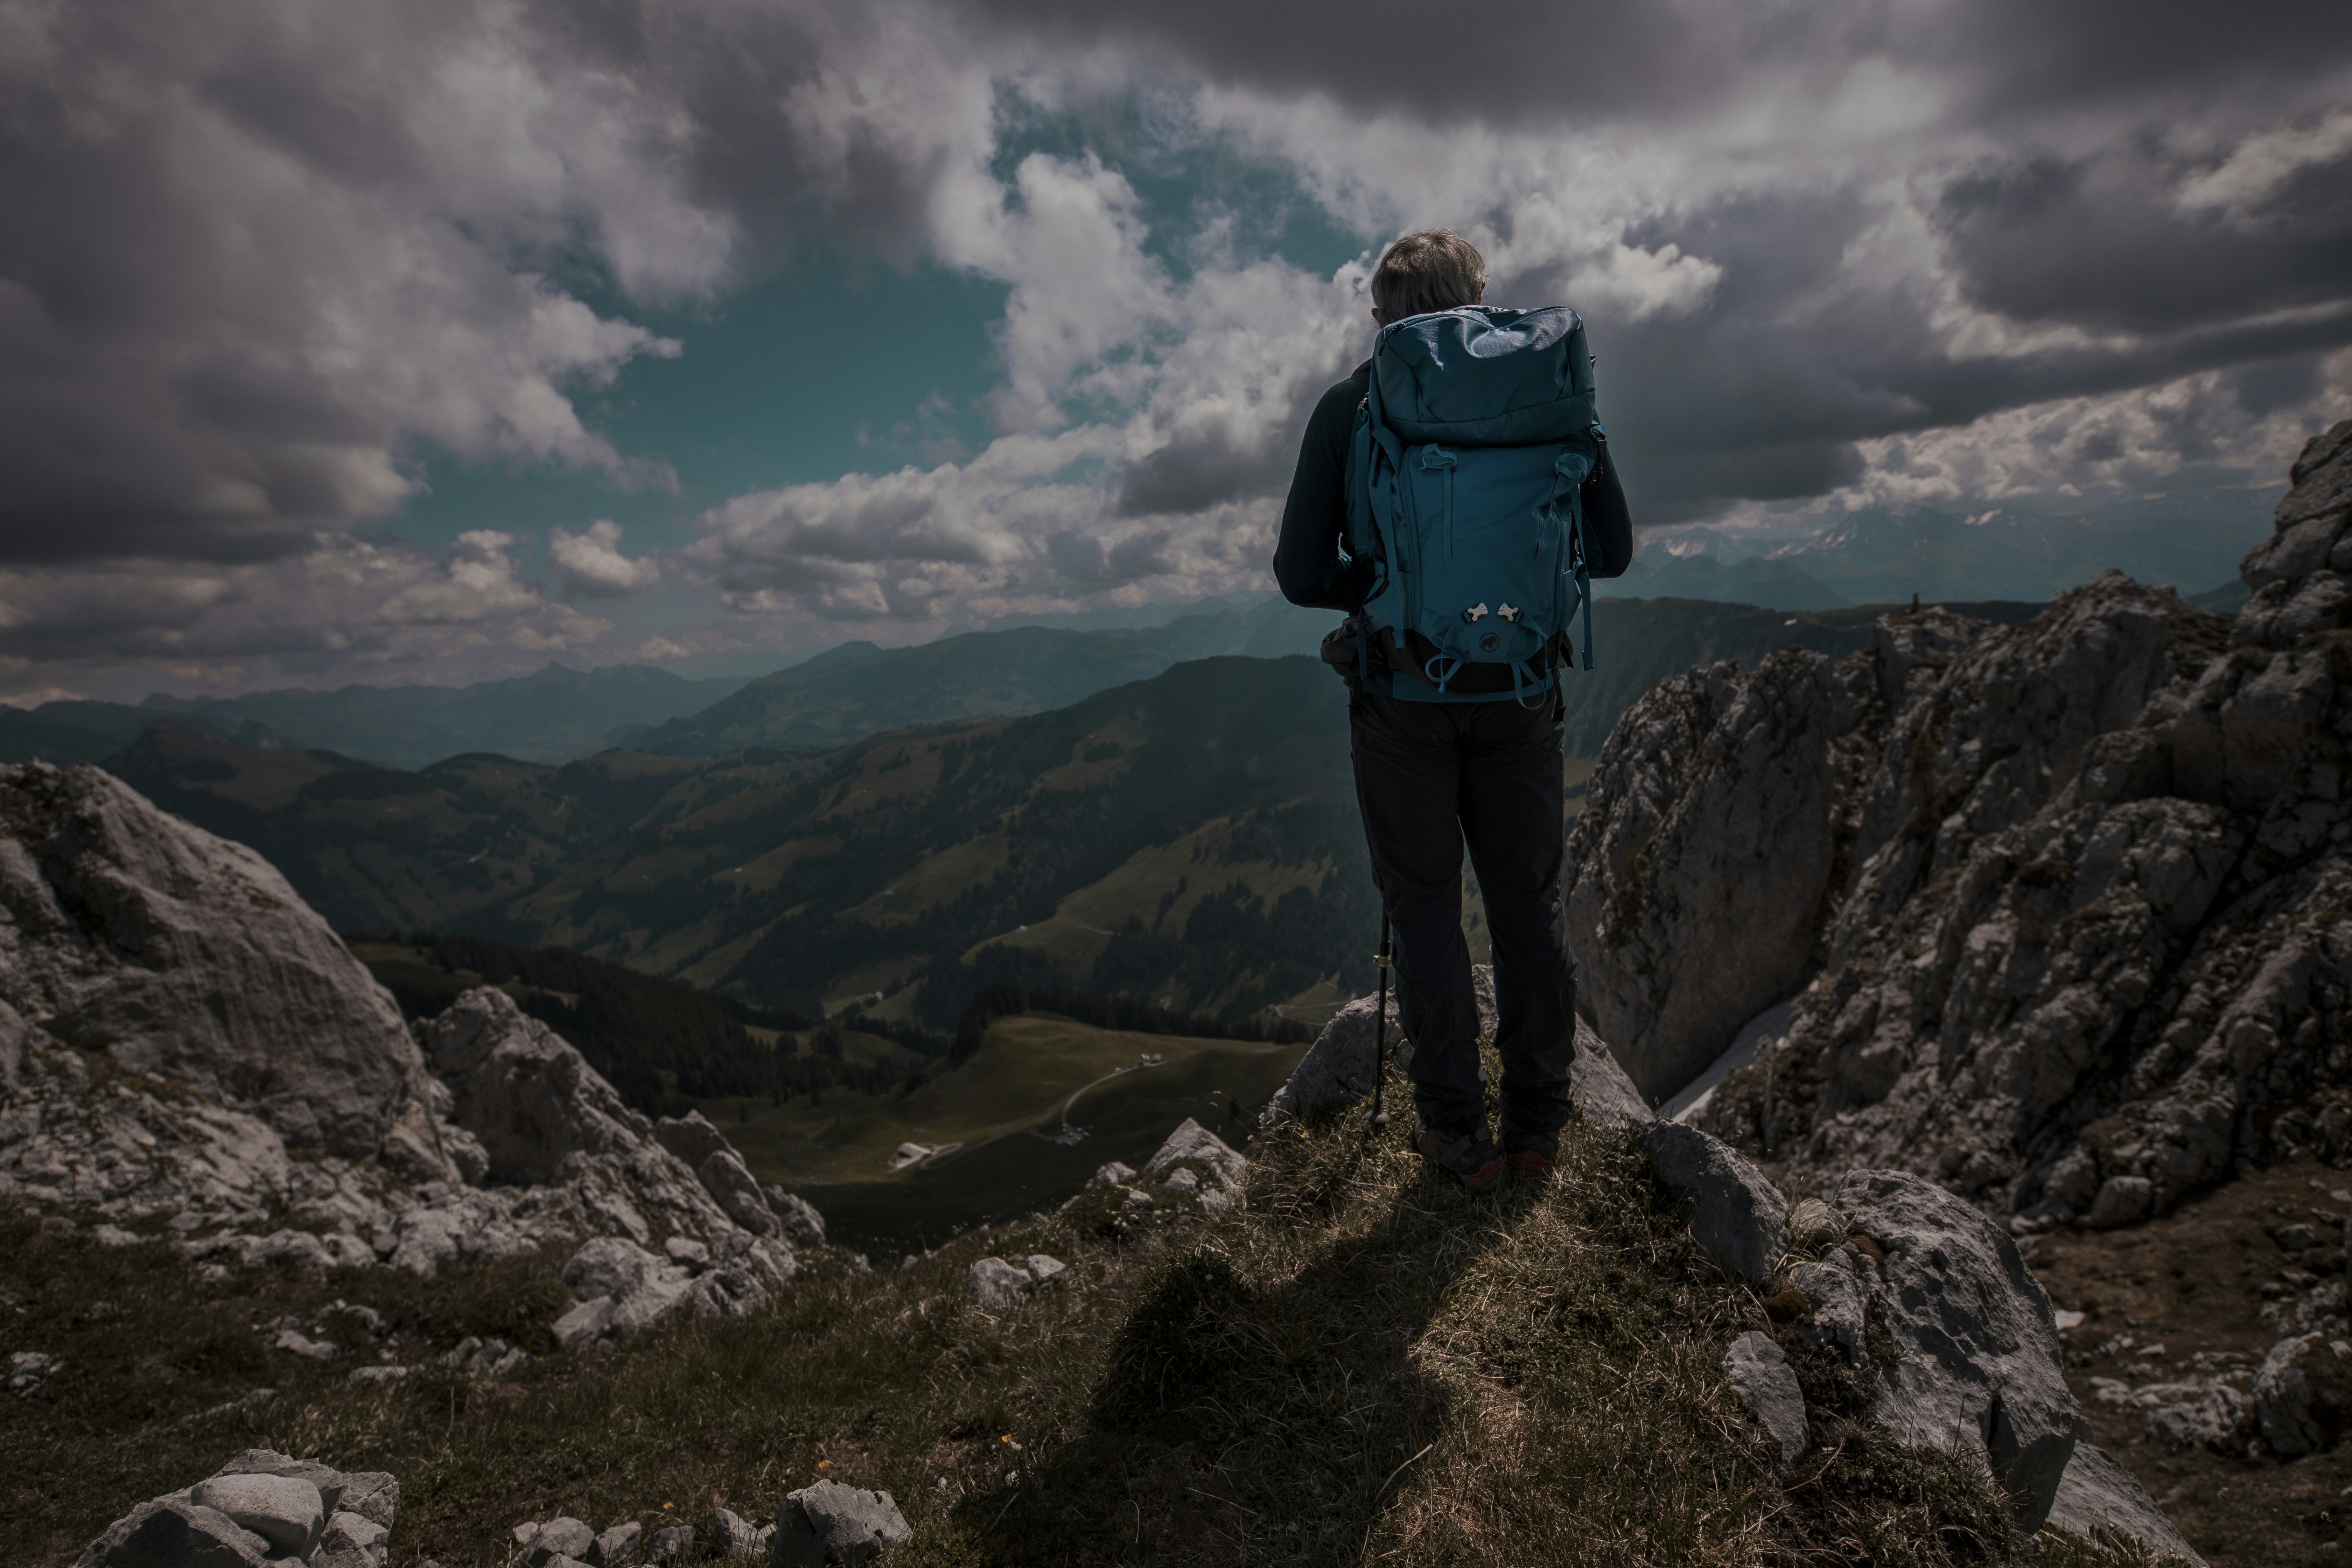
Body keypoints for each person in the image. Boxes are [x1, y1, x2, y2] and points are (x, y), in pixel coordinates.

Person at [1272, 229, 1634, 1191]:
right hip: (1521, 689)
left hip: (1402, 695)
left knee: (1426, 912)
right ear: (1479, 300)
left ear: (1385, 316)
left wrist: (1384, 581)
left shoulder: (1354, 405)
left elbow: (1299, 574)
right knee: (1527, 905)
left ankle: (1454, 1140)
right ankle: (1538, 1130)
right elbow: (1613, 551)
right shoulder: (1546, 393)